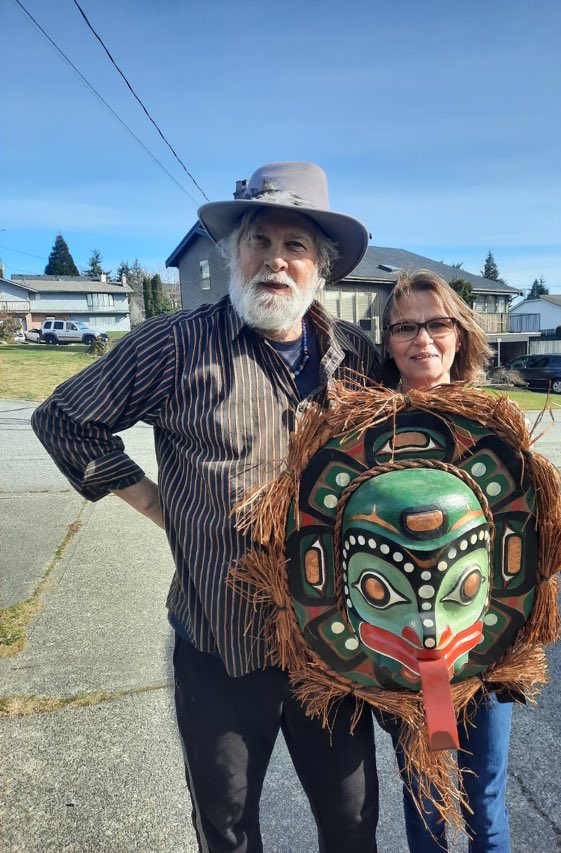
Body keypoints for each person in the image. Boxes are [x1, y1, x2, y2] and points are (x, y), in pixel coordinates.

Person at [31, 162, 381, 853]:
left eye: (295, 245)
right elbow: (65, 419)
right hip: (220, 640)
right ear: (232, 254)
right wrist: (156, 504)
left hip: (335, 644)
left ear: (321, 267)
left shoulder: (358, 357)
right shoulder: (173, 344)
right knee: (227, 829)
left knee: (351, 824)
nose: (275, 260)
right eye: (259, 241)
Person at [379, 268, 512, 853]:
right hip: (402, 651)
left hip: (485, 651)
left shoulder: (497, 423)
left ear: (460, 333)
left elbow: (532, 537)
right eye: (405, 327)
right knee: (425, 796)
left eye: (437, 323)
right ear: (387, 342)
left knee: (484, 799)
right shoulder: (363, 428)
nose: (422, 339)